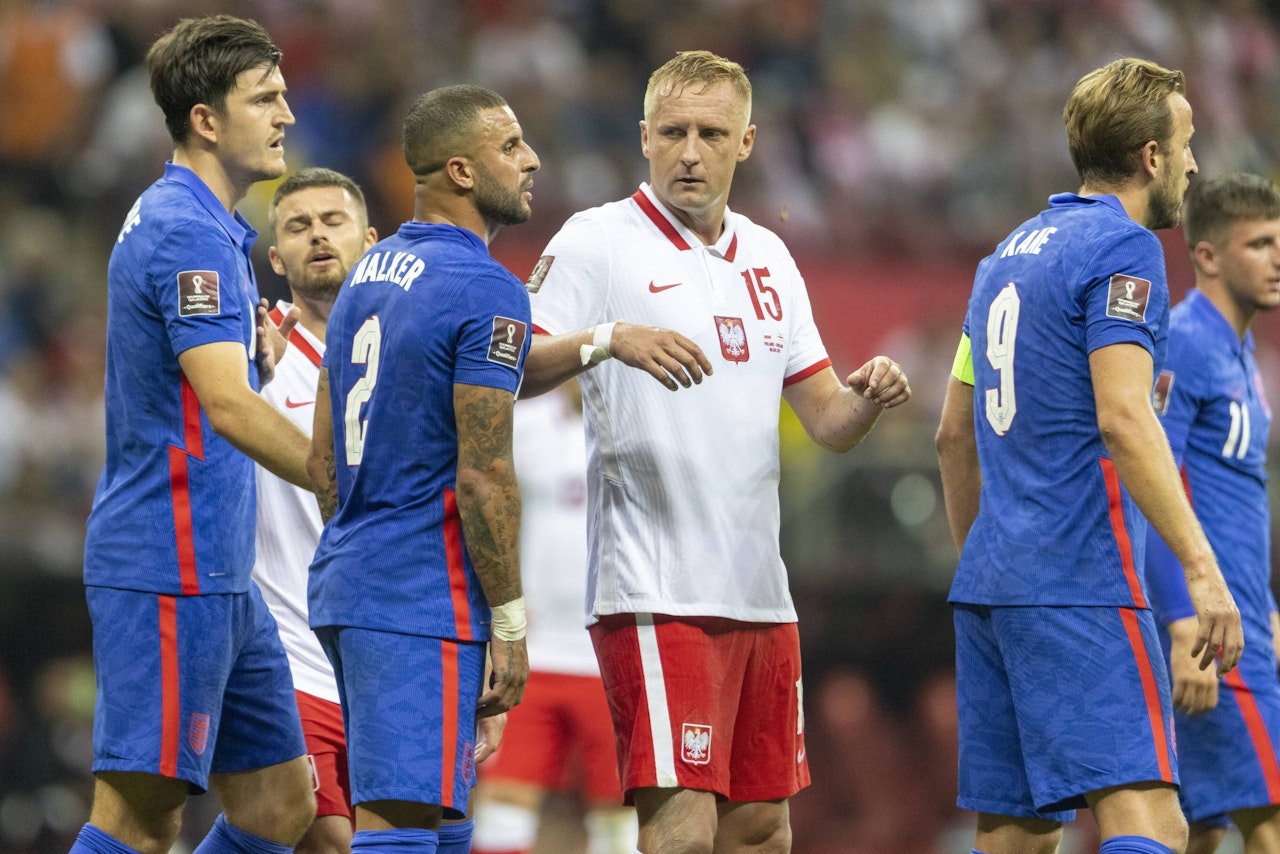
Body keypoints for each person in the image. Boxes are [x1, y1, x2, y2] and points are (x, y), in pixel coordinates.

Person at [520, 50, 911, 854]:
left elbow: (828, 421)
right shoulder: (598, 241)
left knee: (762, 830)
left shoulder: (770, 257)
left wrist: (868, 397)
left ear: (747, 143)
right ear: (644, 137)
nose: (690, 152)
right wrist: (606, 339)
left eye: (711, 133)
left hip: (762, 594)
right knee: (683, 828)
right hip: (656, 590)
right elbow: (508, 364)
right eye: (672, 132)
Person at [935, 57, 1244, 854]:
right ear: (1151, 155)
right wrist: (1203, 571)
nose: (1194, 165)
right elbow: (1124, 419)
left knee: (1018, 833)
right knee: (1153, 821)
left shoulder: (1002, 258)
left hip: (992, 585)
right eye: (1187, 144)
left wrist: (991, 567)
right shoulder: (1123, 248)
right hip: (1081, 579)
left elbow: (953, 434)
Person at [75, 15, 317, 854]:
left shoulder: (206, 225)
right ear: (207, 120)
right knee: (139, 820)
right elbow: (226, 408)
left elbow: (208, 387)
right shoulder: (185, 231)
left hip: (220, 569)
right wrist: (345, 479)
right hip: (168, 562)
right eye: (265, 98)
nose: (286, 114)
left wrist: (253, 362)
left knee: (281, 805)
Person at [306, 83, 538, 854]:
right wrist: (509, 624)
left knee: (446, 824)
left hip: (352, 580)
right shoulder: (487, 288)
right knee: (401, 829)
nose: (532, 160)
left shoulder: (369, 272)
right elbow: (484, 475)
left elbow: (322, 458)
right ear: (462, 171)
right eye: (511, 146)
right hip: (418, 597)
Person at [1142, 172, 1280, 854]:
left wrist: (1268, 609)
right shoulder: (1185, 342)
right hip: (1212, 634)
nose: (1277, 259)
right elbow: (1151, 483)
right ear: (1208, 256)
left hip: (1244, 622)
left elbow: (1234, 498)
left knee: (1198, 832)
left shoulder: (1241, 350)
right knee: (1270, 821)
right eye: (1259, 244)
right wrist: (1182, 621)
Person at [253, 167, 378, 854]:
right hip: (289, 651)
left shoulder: (409, 353)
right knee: (327, 838)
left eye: (333, 221)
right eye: (298, 228)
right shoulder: (254, 352)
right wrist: (251, 373)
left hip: (387, 652)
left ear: (371, 240)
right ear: (277, 259)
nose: (318, 236)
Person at [471, 379, 638, 854]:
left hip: (612, 653)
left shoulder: (643, 430)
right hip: (532, 651)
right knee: (501, 812)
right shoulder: (522, 423)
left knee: (619, 818)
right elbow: (480, 507)